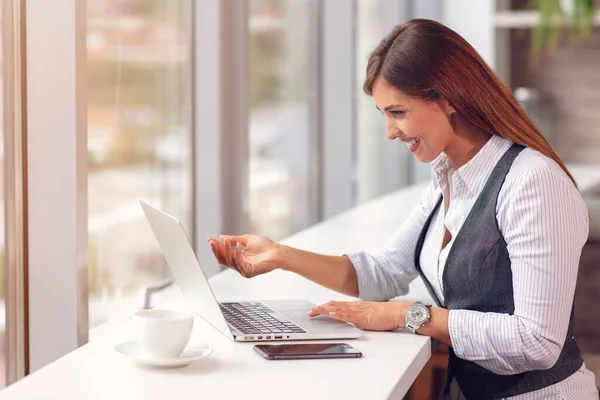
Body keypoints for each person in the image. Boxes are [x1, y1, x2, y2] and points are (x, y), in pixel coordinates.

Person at [208, 19, 598, 399]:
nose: (390, 132)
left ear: (447, 98)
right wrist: (281, 255)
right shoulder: (448, 176)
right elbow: (383, 272)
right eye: (385, 116)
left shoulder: (532, 182)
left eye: (397, 112)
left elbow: (537, 341)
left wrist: (407, 315)